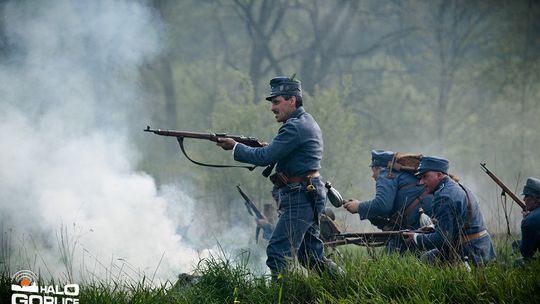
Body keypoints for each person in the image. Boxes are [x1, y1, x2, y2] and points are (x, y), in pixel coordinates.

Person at [217, 75, 341, 278]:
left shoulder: (294, 127)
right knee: (312, 257)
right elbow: (279, 153)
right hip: (306, 193)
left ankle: (286, 297)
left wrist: (236, 146)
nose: (272, 108)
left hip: (300, 195)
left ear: (292, 100)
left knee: (277, 255)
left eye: (277, 102)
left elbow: (265, 157)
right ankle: (345, 285)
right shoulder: (304, 122)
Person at [402, 156, 496, 266]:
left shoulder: (443, 196)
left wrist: (415, 238)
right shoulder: (457, 187)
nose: (421, 182)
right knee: (428, 258)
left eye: (425, 176)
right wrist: (433, 228)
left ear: (439, 175)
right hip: (482, 247)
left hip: (470, 252)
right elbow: (458, 223)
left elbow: (442, 240)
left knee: (423, 262)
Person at [343, 150, 434, 254]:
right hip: (420, 224)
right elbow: (387, 211)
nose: (373, 176)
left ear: (376, 168)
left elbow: (383, 206)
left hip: (417, 225)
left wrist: (358, 207)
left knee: (390, 259)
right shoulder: (401, 174)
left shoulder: (386, 174)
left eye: (373, 172)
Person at [515, 177, 540, 265]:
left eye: (526, 196)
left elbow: (526, 253)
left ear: (535, 198)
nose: (524, 199)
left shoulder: (529, 221)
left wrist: (526, 219)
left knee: (518, 263)